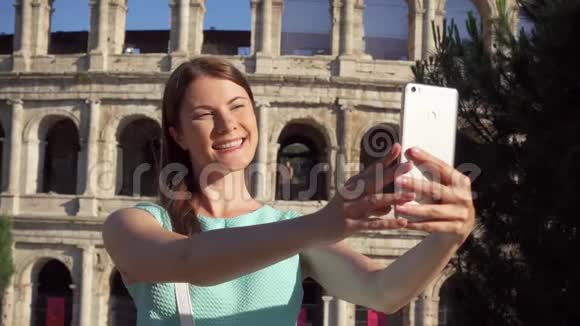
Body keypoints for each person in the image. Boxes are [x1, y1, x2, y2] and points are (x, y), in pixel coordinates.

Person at [102, 57, 475, 326]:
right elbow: (186, 261)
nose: (227, 124)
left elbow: (383, 292)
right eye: (204, 114)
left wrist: (448, 239)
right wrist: (321, 224)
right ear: (177, 133)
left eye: (237, 107)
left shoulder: (288, 228)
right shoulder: (132, 223)